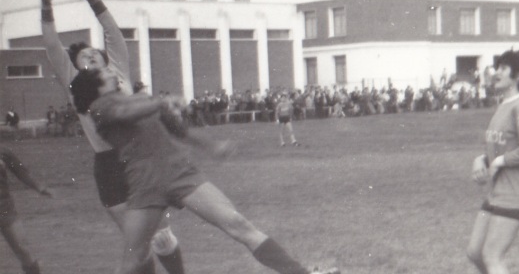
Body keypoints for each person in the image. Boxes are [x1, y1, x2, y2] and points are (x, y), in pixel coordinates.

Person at [69, 68, 338, 274]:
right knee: (133, 255)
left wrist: (212, 147)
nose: (110, 71)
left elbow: (178, 131)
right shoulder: (98, 108)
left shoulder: (141, 99)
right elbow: (125, 115)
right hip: (145, 182)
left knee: (238, 224)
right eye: (103, 71)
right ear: (94, 84)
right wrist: (160, 103)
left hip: (179, 172)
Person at [35, 0, 185, 274]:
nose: (90, 57)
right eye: (83, 57)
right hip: (107, 167)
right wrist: (46, 5)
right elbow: (52, 47)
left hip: (139, 159)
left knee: (162, 238)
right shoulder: (76, 84)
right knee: (137, 245)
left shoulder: (118, 73)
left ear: (107, 61)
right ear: (75, 68)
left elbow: (113, 34)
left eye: (95, 54)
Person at [466, 49, 519, 274]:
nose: (496, 73)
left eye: (502, 69)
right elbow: (499, 146)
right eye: (496, 68)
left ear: (517, 76)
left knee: (491, 256)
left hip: (516, 193)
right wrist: (481, 160)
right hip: (498, 191)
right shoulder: (504, 105)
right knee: (475, 253)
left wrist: (499, 162)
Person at [0, 146, 52, 274]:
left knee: (23, 248)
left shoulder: (3, 152)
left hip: (4, 207)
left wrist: (39, 187)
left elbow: (21, 171)